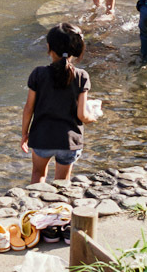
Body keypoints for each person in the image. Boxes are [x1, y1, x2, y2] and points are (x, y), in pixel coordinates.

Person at [21, 22, 97, 183]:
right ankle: (58, 206)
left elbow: (29, 108)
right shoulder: (82, 76)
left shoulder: (38, 74)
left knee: (38, 175)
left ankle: (35, 206)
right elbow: (82, 115)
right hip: (69, 141)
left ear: (48, 47)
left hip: (42, 138)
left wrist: (24, 134)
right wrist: (94, 116)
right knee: (62, 183)